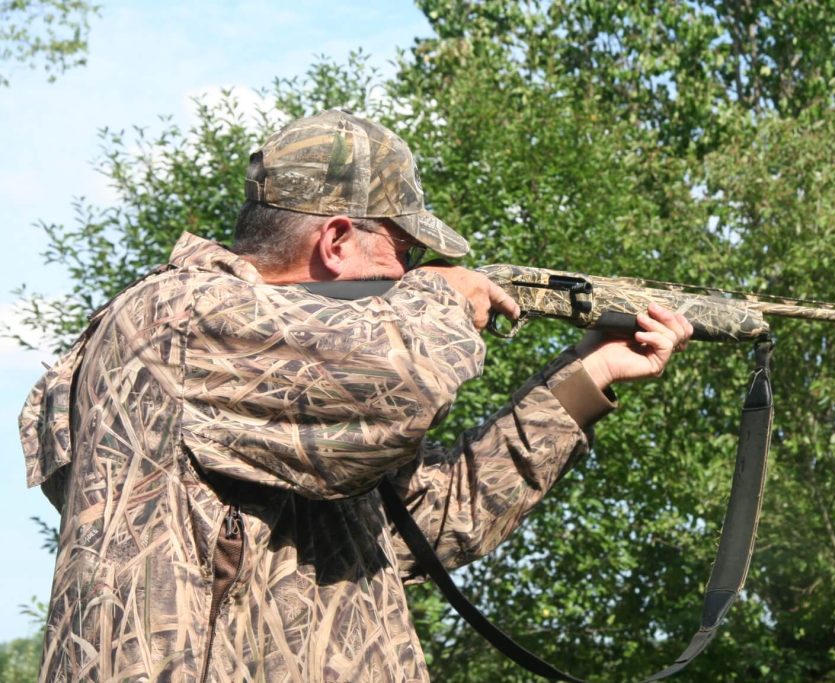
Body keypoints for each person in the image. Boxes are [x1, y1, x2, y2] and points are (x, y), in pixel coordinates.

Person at [20, 109, 692, 682]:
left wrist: (589, 374)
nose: (410, 273)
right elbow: (401, 376)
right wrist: (446, 296)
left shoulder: (296, 400)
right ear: (338, 240)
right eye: (403, 249)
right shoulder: (177, 317)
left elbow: (427, 523)